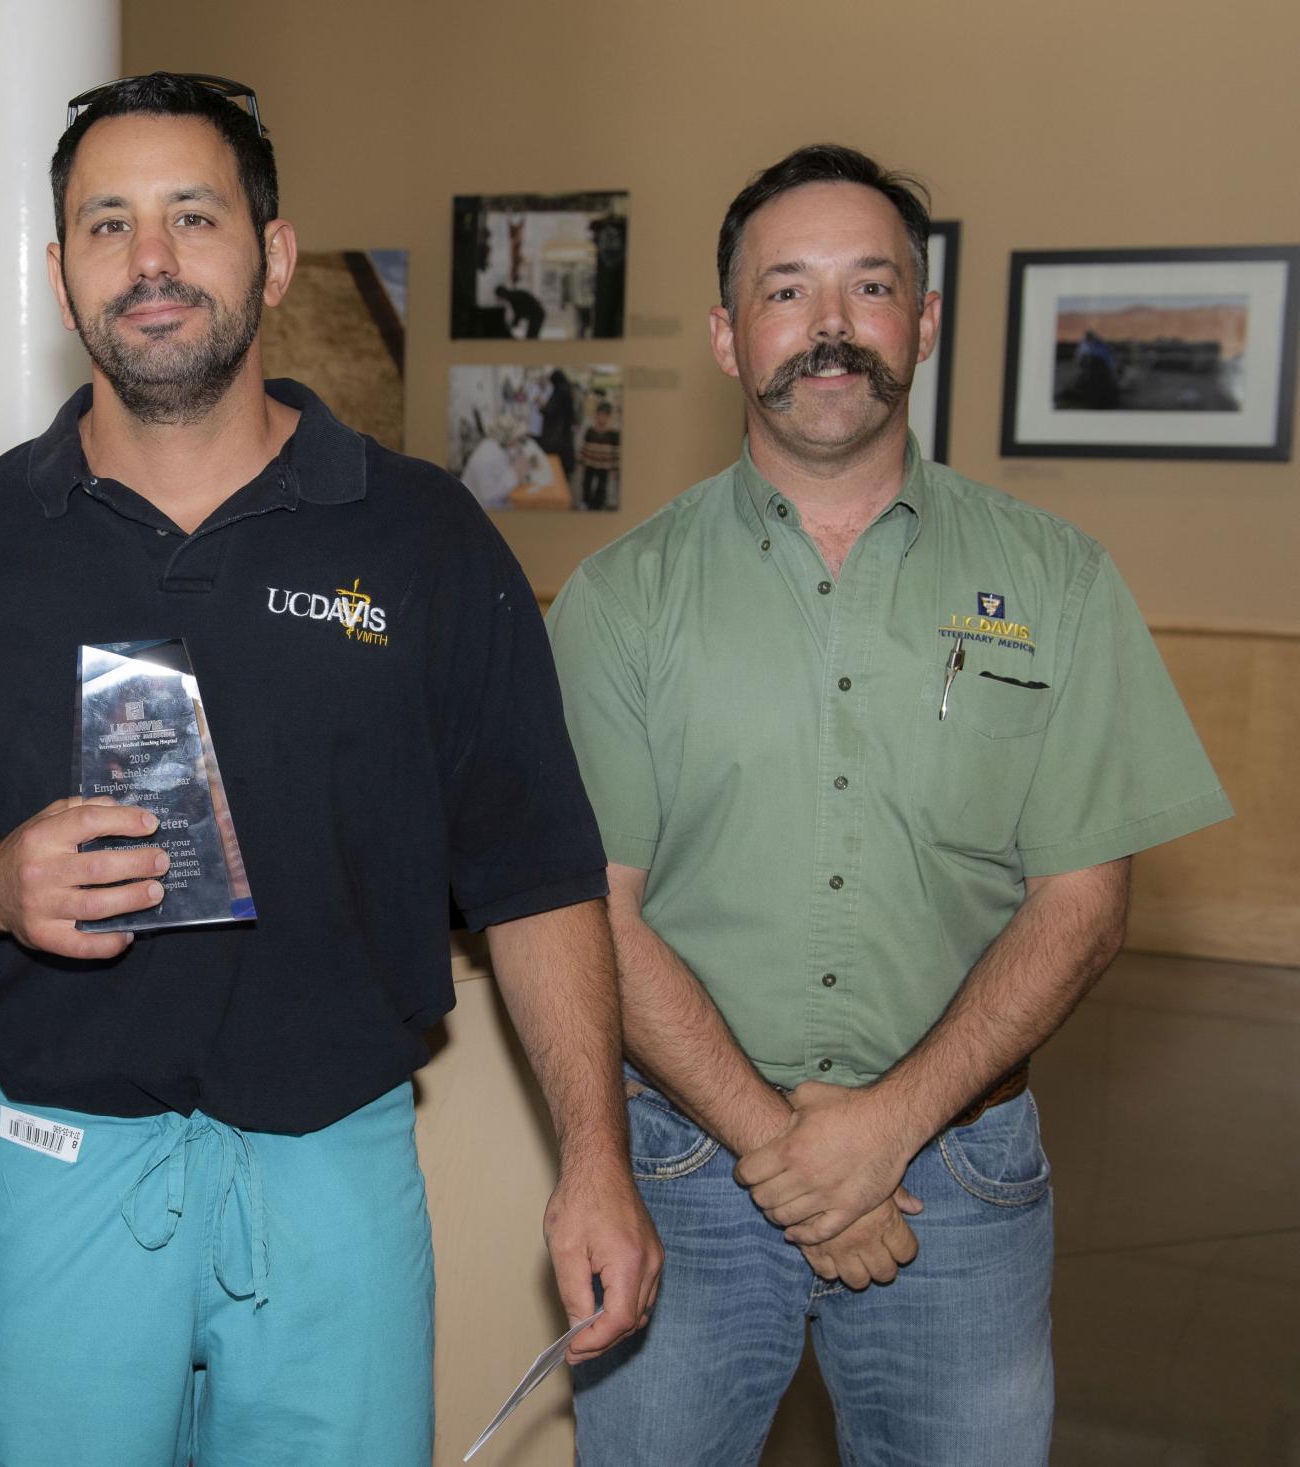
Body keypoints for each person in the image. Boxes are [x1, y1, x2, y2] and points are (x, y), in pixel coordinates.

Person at [0, 72, 660, 1467]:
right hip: (54, 1172)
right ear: (59, 276)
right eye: (107, 226)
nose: (150, 260)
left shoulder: (425, 541)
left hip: (332, 1169)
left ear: (272, 254)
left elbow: (536, 874)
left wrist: (598, 1155)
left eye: (191, 215)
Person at [548, 143, 1232, 1464]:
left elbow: (1083, 904)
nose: (829, 330)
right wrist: (798, 1155)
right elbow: (597, 916)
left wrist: (891, 1122)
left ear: (922, 322)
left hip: (963, 1181)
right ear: (729, 332)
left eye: (870, 289)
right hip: (685, 1173)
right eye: (788, 292)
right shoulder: (623, 598)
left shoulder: (1061, 579)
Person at [576, 400, 621, 510]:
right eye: (599, 415)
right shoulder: (590, 430)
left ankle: (597, 505)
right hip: (590, 462)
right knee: (587, 483)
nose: (601, 418)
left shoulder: (613, 433)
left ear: (609, 417)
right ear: (595, 415)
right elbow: (584, 447)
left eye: (604, 416)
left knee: (601, 486)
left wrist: (615, 468)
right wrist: (582, 462)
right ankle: (585, 502)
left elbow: (616, 452)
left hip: (605, 465)